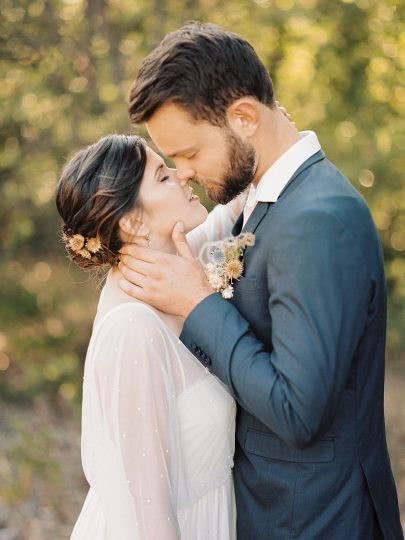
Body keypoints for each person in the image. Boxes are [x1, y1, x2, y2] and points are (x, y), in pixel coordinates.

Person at [119, 21, 404, 539]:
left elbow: (298, 411)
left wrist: (199, 304)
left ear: (244, 117)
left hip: (314, 521)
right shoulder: (265, 197)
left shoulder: (317, 219)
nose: (181, 173)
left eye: (186, 154)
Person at [56, 133, 247, 539]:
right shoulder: (132, 328)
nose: (184, 176)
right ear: (132, 221)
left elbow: (230, 215)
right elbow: (147, 515)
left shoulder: (172, 266)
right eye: (163, 176)